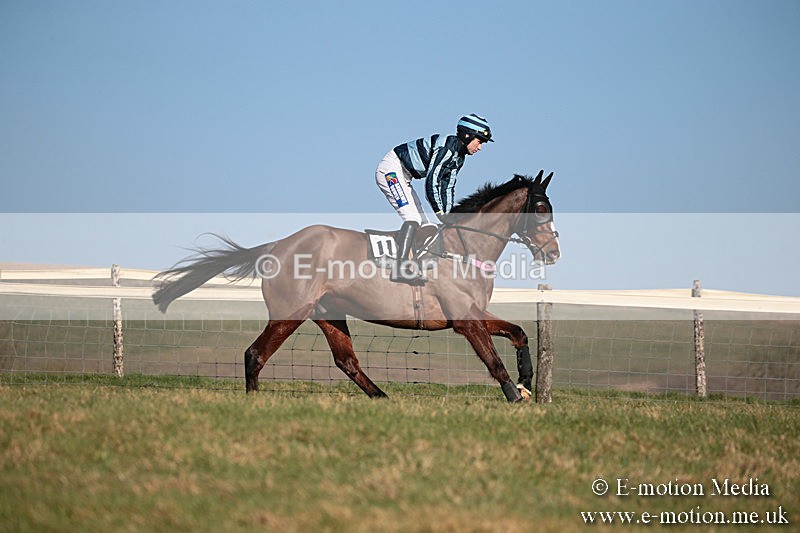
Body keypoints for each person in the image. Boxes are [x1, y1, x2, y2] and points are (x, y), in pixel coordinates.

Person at [375, 114, 494, 284]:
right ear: (467, 135)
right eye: (479, 141)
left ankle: (412, 265)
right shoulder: (447, 148)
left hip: (405, 176)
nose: (480, 147)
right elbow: (432, 182)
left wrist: (449, 213)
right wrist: (441, 213)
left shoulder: (459, 158)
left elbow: (447, 187)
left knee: (425, 225)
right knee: (413, 218)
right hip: (391, 170)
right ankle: (399, 268)